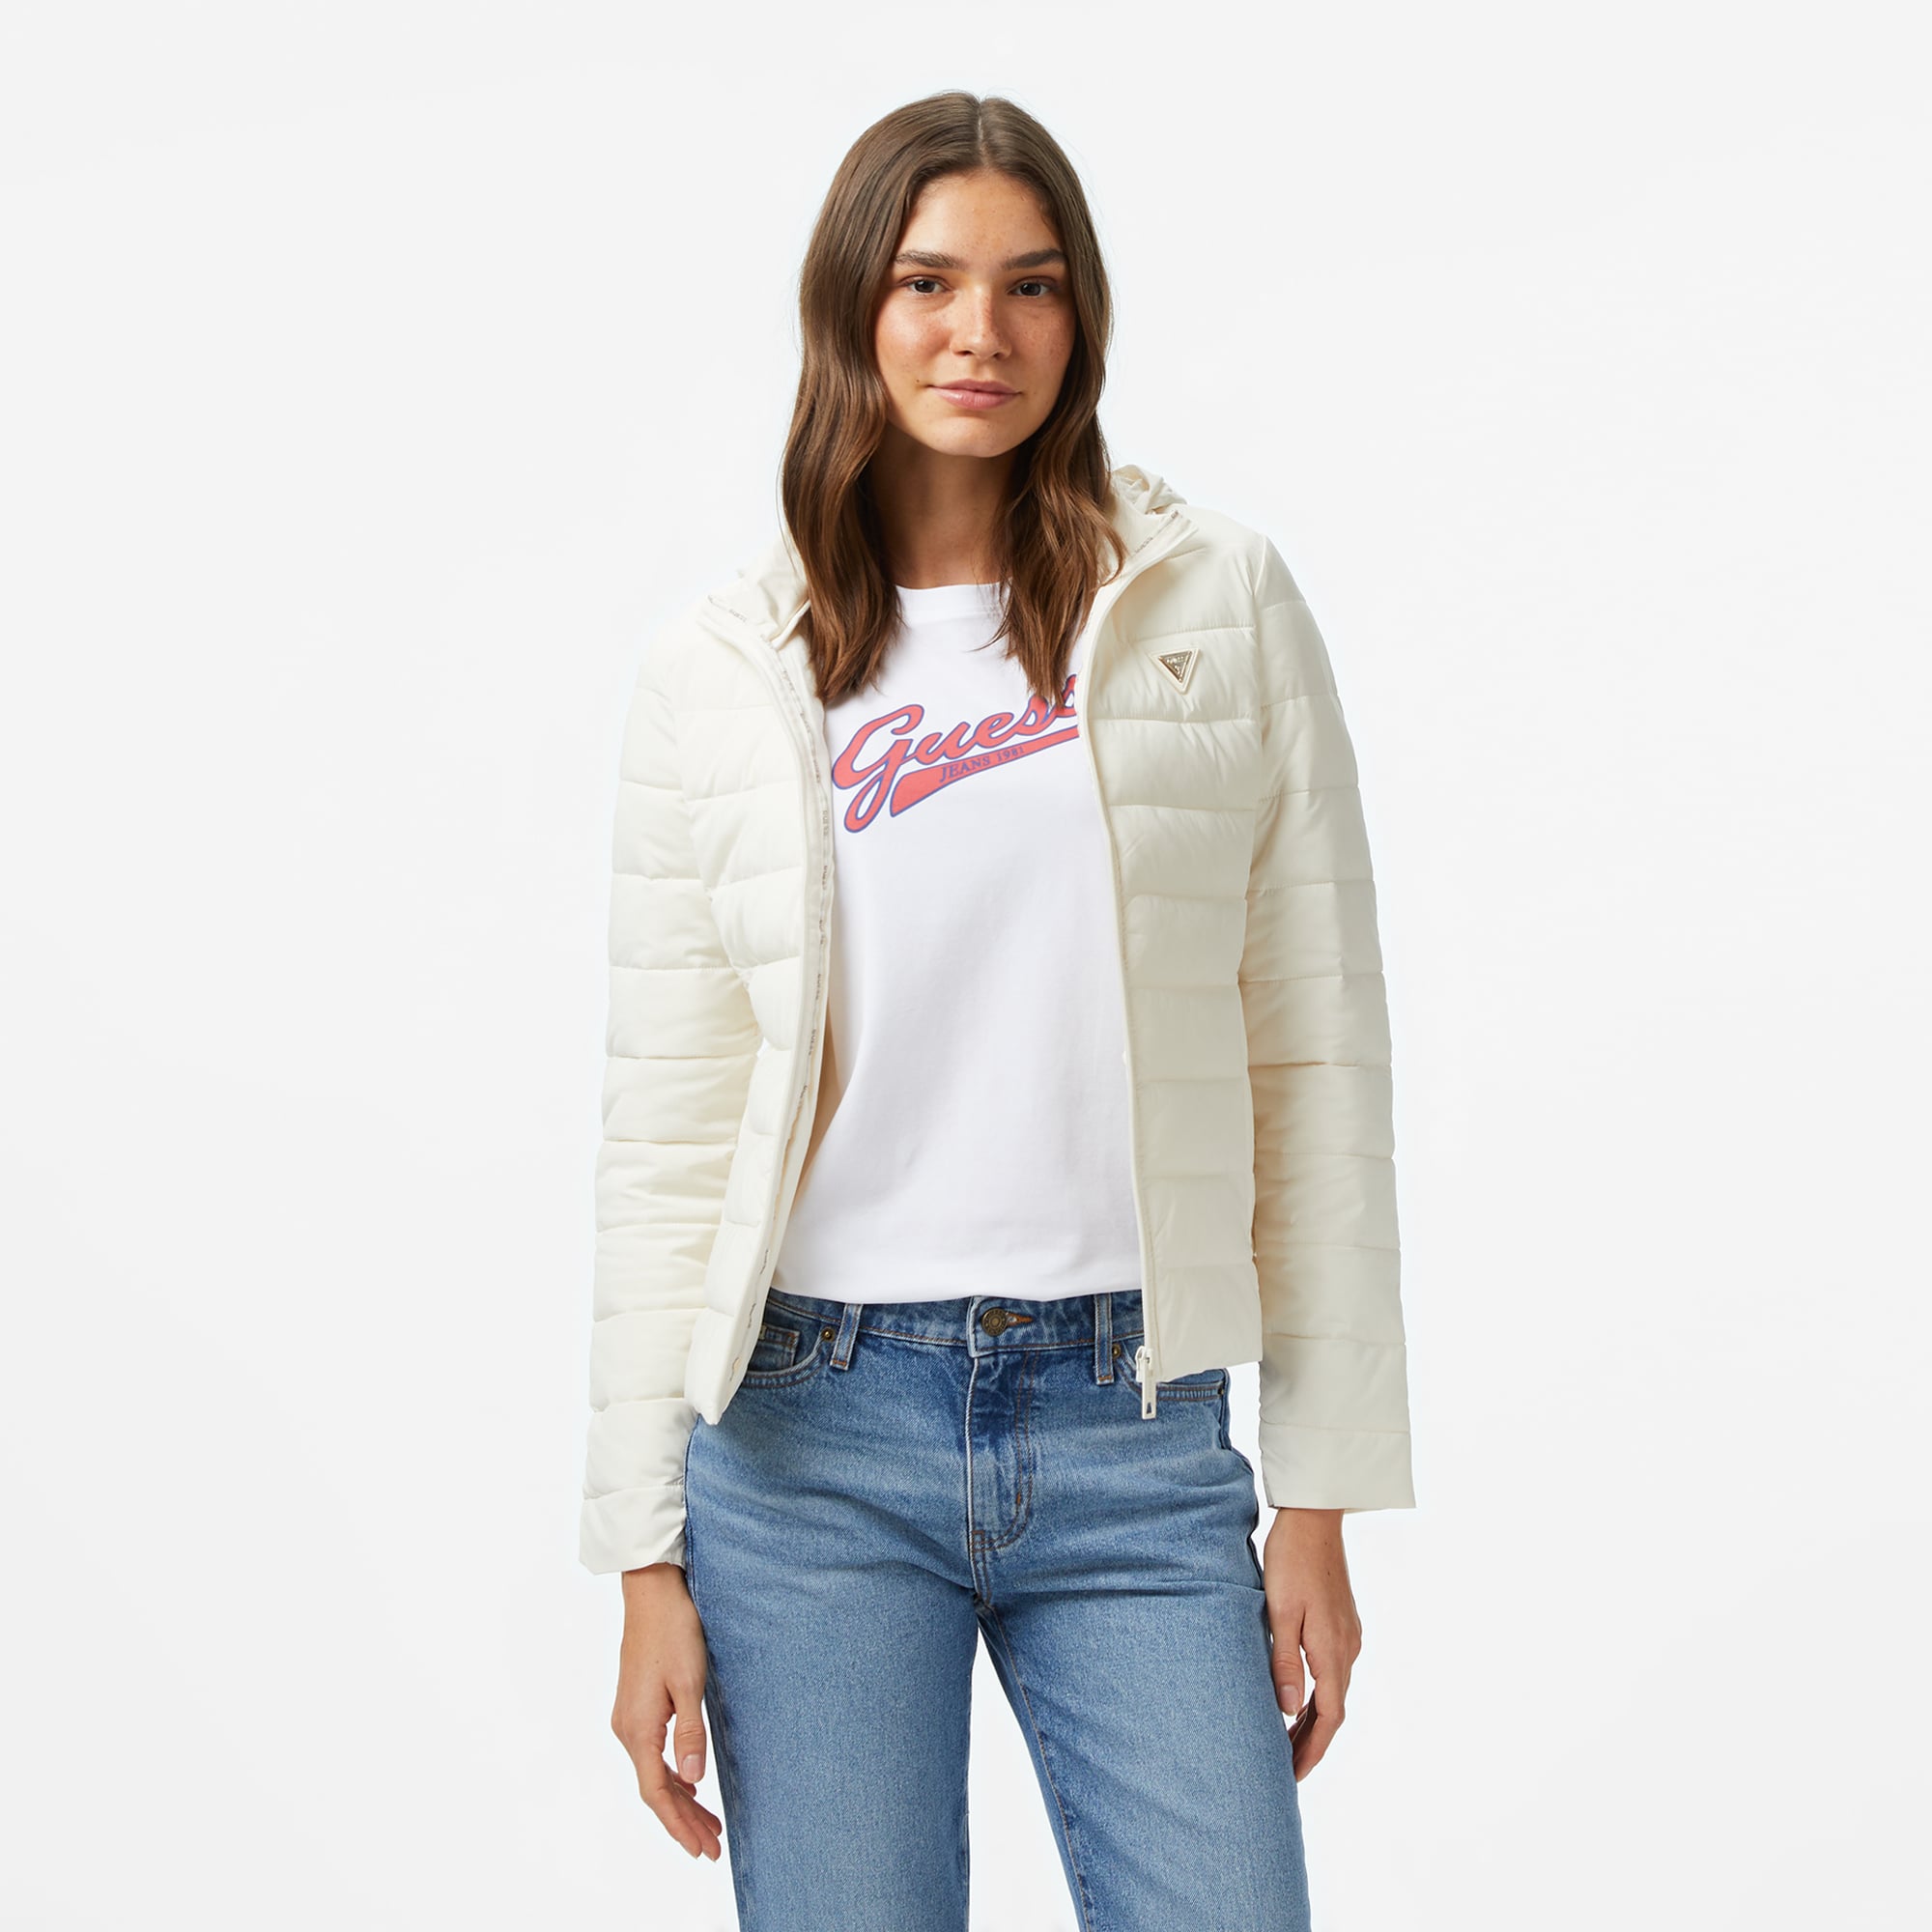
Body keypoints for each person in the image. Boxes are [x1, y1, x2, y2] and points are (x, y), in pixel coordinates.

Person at [582, 90, 1414, 1932]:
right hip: (804, 1443)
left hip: (1135, 1420)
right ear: (852, 310)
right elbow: (668, 1135)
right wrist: (641, 1553)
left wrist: (1322, 1494)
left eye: (1031, 286)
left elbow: (1316, 1054)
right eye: (930, 283)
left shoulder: (1211, 606)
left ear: (1081, 315)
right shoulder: (722, 669)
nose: (982, 332)